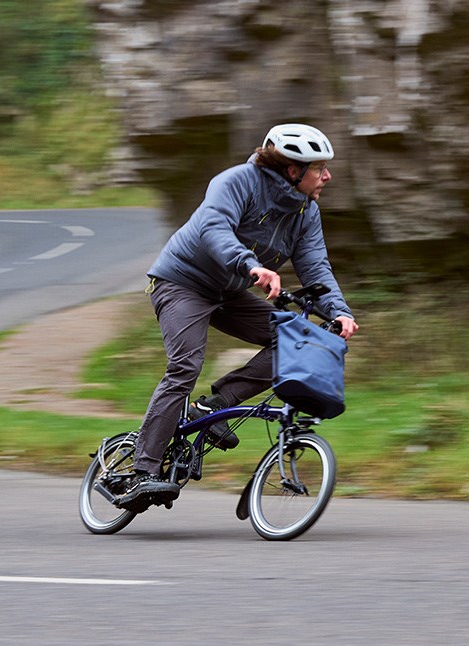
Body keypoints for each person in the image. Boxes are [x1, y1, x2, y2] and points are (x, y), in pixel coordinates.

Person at [118, 123, 359, 511]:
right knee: (185, 364)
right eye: (319, 168)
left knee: (292, 341)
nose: (327, 176)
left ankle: (214, 407)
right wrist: (250, 266)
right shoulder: (236, 182)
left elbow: (316, 266)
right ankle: (143, 469)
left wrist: (340, 312)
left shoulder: (305, 212)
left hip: (229, 291)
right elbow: (214, 227)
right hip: (181, 282)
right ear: (292, 169)